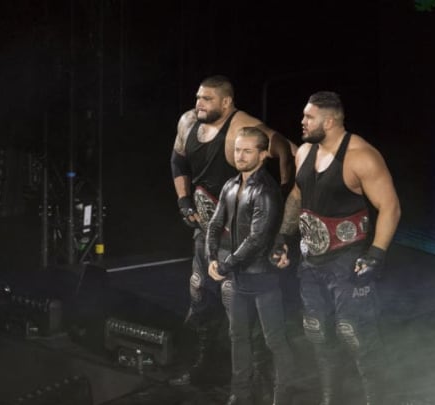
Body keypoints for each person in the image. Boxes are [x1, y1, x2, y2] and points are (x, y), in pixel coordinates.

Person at [272, 91, 401, 404]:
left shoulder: (361, 156)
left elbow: (390, 207)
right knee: (316, 330)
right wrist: (282, 237)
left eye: (309, 117)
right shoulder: (304, 151)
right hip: (311, 261)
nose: (302, 122)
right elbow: (297, 197)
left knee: (352, 332)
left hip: (348, 260)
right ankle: (331, 397)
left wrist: (376, 255)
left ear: (329, 121)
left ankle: (376, 399)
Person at [169, 75, 294, 387]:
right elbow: (177, 162)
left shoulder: (243, 127)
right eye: (198, 97)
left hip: (240, 239)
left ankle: (263, 381)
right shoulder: (188, 122)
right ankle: (204, 366)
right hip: (207, 232)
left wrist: (275, 215)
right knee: (199, 293)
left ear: (226, 102)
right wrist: (184, 201)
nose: (198, 103)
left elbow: (290, 153)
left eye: (206, 99)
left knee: (239, 306)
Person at [206, 127, 296, 405]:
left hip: (263, 279)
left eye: (247, 151)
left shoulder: (266, 190)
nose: (240, 156)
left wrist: (225, 265)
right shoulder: (231, 185)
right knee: (238, 337)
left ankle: (283, 397)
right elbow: (215, 223)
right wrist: (211, 256)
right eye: (237, 150)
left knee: (275, 342)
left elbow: (257, 239)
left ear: (262, 154)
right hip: (239, 279)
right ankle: (240, 394)